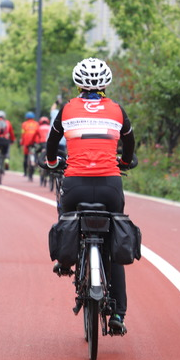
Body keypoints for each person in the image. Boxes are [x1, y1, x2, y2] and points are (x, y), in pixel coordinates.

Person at [45, 57, 136, 335]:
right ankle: (118, 314)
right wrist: (124, 162)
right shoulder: (117, 110)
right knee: (113, 243)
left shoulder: (68, 109)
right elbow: (130, 143)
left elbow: (52, 145)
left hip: (75, 185)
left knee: (65, 213)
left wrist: (51, 163)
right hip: (110, 185)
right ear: (106, 83)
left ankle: (65, 259)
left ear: (78, 84)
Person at [20, 111, 40, 176]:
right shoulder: (36, 124)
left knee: (26, 156)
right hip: (35, 141)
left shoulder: (24, 124)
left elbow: (23, 134)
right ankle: (36, 162)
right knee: (35, 153)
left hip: (27, 142)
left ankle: (25, 172)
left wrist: (22, 142)